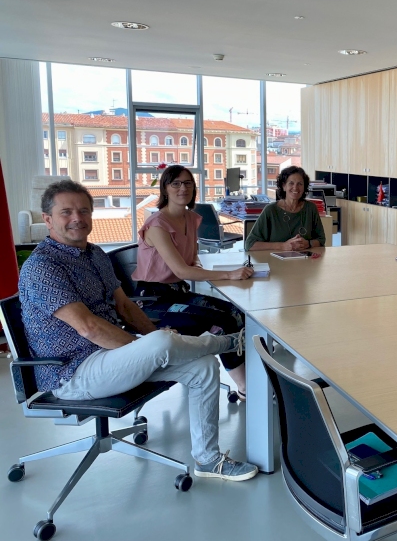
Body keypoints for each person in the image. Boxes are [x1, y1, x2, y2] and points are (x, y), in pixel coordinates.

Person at [18, 180, 257, 481]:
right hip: (72, 373)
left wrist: (155, 335)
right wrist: (144, 346)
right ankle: (226, 343)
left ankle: (208, 460)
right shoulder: (43, 266)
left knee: (203, 367)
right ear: (48, 219)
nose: (77, 218)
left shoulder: (95, 255)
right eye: (66, 212)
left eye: (83, 210)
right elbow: (88, 327)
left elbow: (126, 308)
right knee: (160, 344)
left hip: (112, 360)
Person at [132, 165, 253, 400]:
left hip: (178, 293)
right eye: (175, 183)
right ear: (165, 188)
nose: (182, 188)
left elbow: (191, 261)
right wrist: (229, 275)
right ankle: (246, 387)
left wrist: (207, 271)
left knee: (238, 313)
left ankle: (249, 375)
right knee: (224, 320)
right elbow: (181, 269)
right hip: (152, 300)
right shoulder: (157, 224)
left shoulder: (190, 217)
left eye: (187, 183)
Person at [245, 166, 325, 251]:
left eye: (300, 184)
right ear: (284, 186)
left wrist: (308, 244)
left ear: (304, 187)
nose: (295, 187)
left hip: (306, 261)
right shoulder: (271, 210)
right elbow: (250, 244)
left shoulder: (311, 208)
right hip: (276, 262)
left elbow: (321, 240)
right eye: (291, 183)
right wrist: (282, 246)